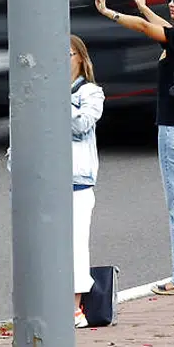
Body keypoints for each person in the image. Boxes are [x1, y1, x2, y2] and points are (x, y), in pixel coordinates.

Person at [94, 0, 174, 293]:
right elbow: (162, 29)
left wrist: (109, 12)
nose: (171, 4)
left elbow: (146, 29)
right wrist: (145, 7)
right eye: (170, 0)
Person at [69, 35, 104, 328]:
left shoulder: (91, 93)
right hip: (45, 184)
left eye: (66, 55)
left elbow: (81, 125)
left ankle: (76, 306)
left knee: (76, 244)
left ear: (81, 58)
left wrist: (56, 98)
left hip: (76, 182)